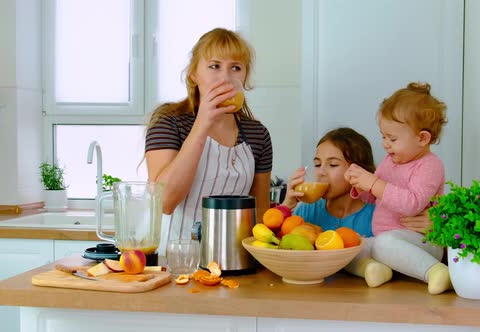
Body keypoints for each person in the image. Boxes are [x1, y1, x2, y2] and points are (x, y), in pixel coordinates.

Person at [145, 28, 273, 241]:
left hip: (234, 258)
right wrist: (203, 123)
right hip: (173, 258)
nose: (225, 77)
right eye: (214, 66)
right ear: (194, 74)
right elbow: (165, 202)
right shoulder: (169, 121)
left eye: (236, 68)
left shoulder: (257, 134)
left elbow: (259, 214)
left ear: (245, 76)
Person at [344, 82, 451, 294]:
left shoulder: (429, 165)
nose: (385, 144)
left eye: (392, 138)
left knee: (384, 243)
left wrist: (374, 183)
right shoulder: (390, 161)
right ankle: (375, 269)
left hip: (421, 243)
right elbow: (376, 197)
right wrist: (360, 185)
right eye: (383, 136)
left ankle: (435, 271)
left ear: (422, 138)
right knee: (349, 246)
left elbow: (412, 204)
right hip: (389, 242)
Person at [282, 127, 393, 287]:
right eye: (317, 164)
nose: (321, 172)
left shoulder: (379, 213)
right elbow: (279, 246)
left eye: (333, 165)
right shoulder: (306, 209)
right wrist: (287, 206)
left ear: (361, 171)